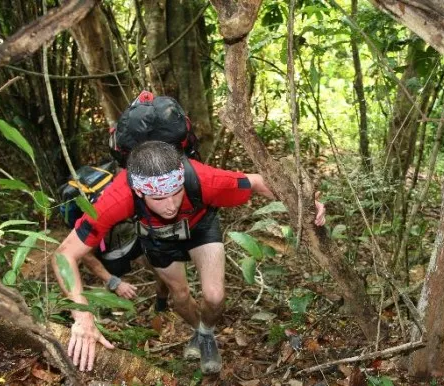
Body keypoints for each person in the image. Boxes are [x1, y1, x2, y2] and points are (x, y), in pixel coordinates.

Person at [52, 140, 326, 374]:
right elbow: (64, 255)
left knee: (215, 295)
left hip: (199, 226)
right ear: (138, 191)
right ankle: (200, 331)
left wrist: (306, 202)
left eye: (175, 192)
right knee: (180, 297)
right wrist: (82, 314)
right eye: (159, 198)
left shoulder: (203, 178)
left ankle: (206, 332)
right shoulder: (117, 198)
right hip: (157, 236)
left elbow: (257, 182)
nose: (170, 204)